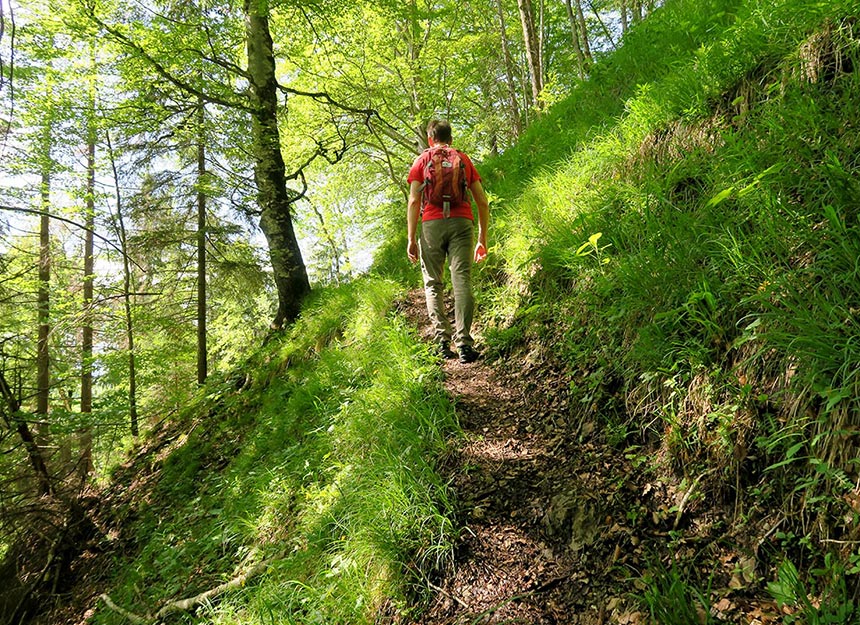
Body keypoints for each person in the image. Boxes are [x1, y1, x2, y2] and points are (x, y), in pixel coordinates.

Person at [407, 119, 490, 363]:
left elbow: (413, 201)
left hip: (431, 224)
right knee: (461, 279)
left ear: (430, 139)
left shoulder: (421, 161)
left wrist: (411, 238)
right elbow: (482, 201)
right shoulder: (463, 159)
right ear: (451, 139)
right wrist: (482, 238)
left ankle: (442, 342)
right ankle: (464, 343)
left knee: (433, 283)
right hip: (462, 222)